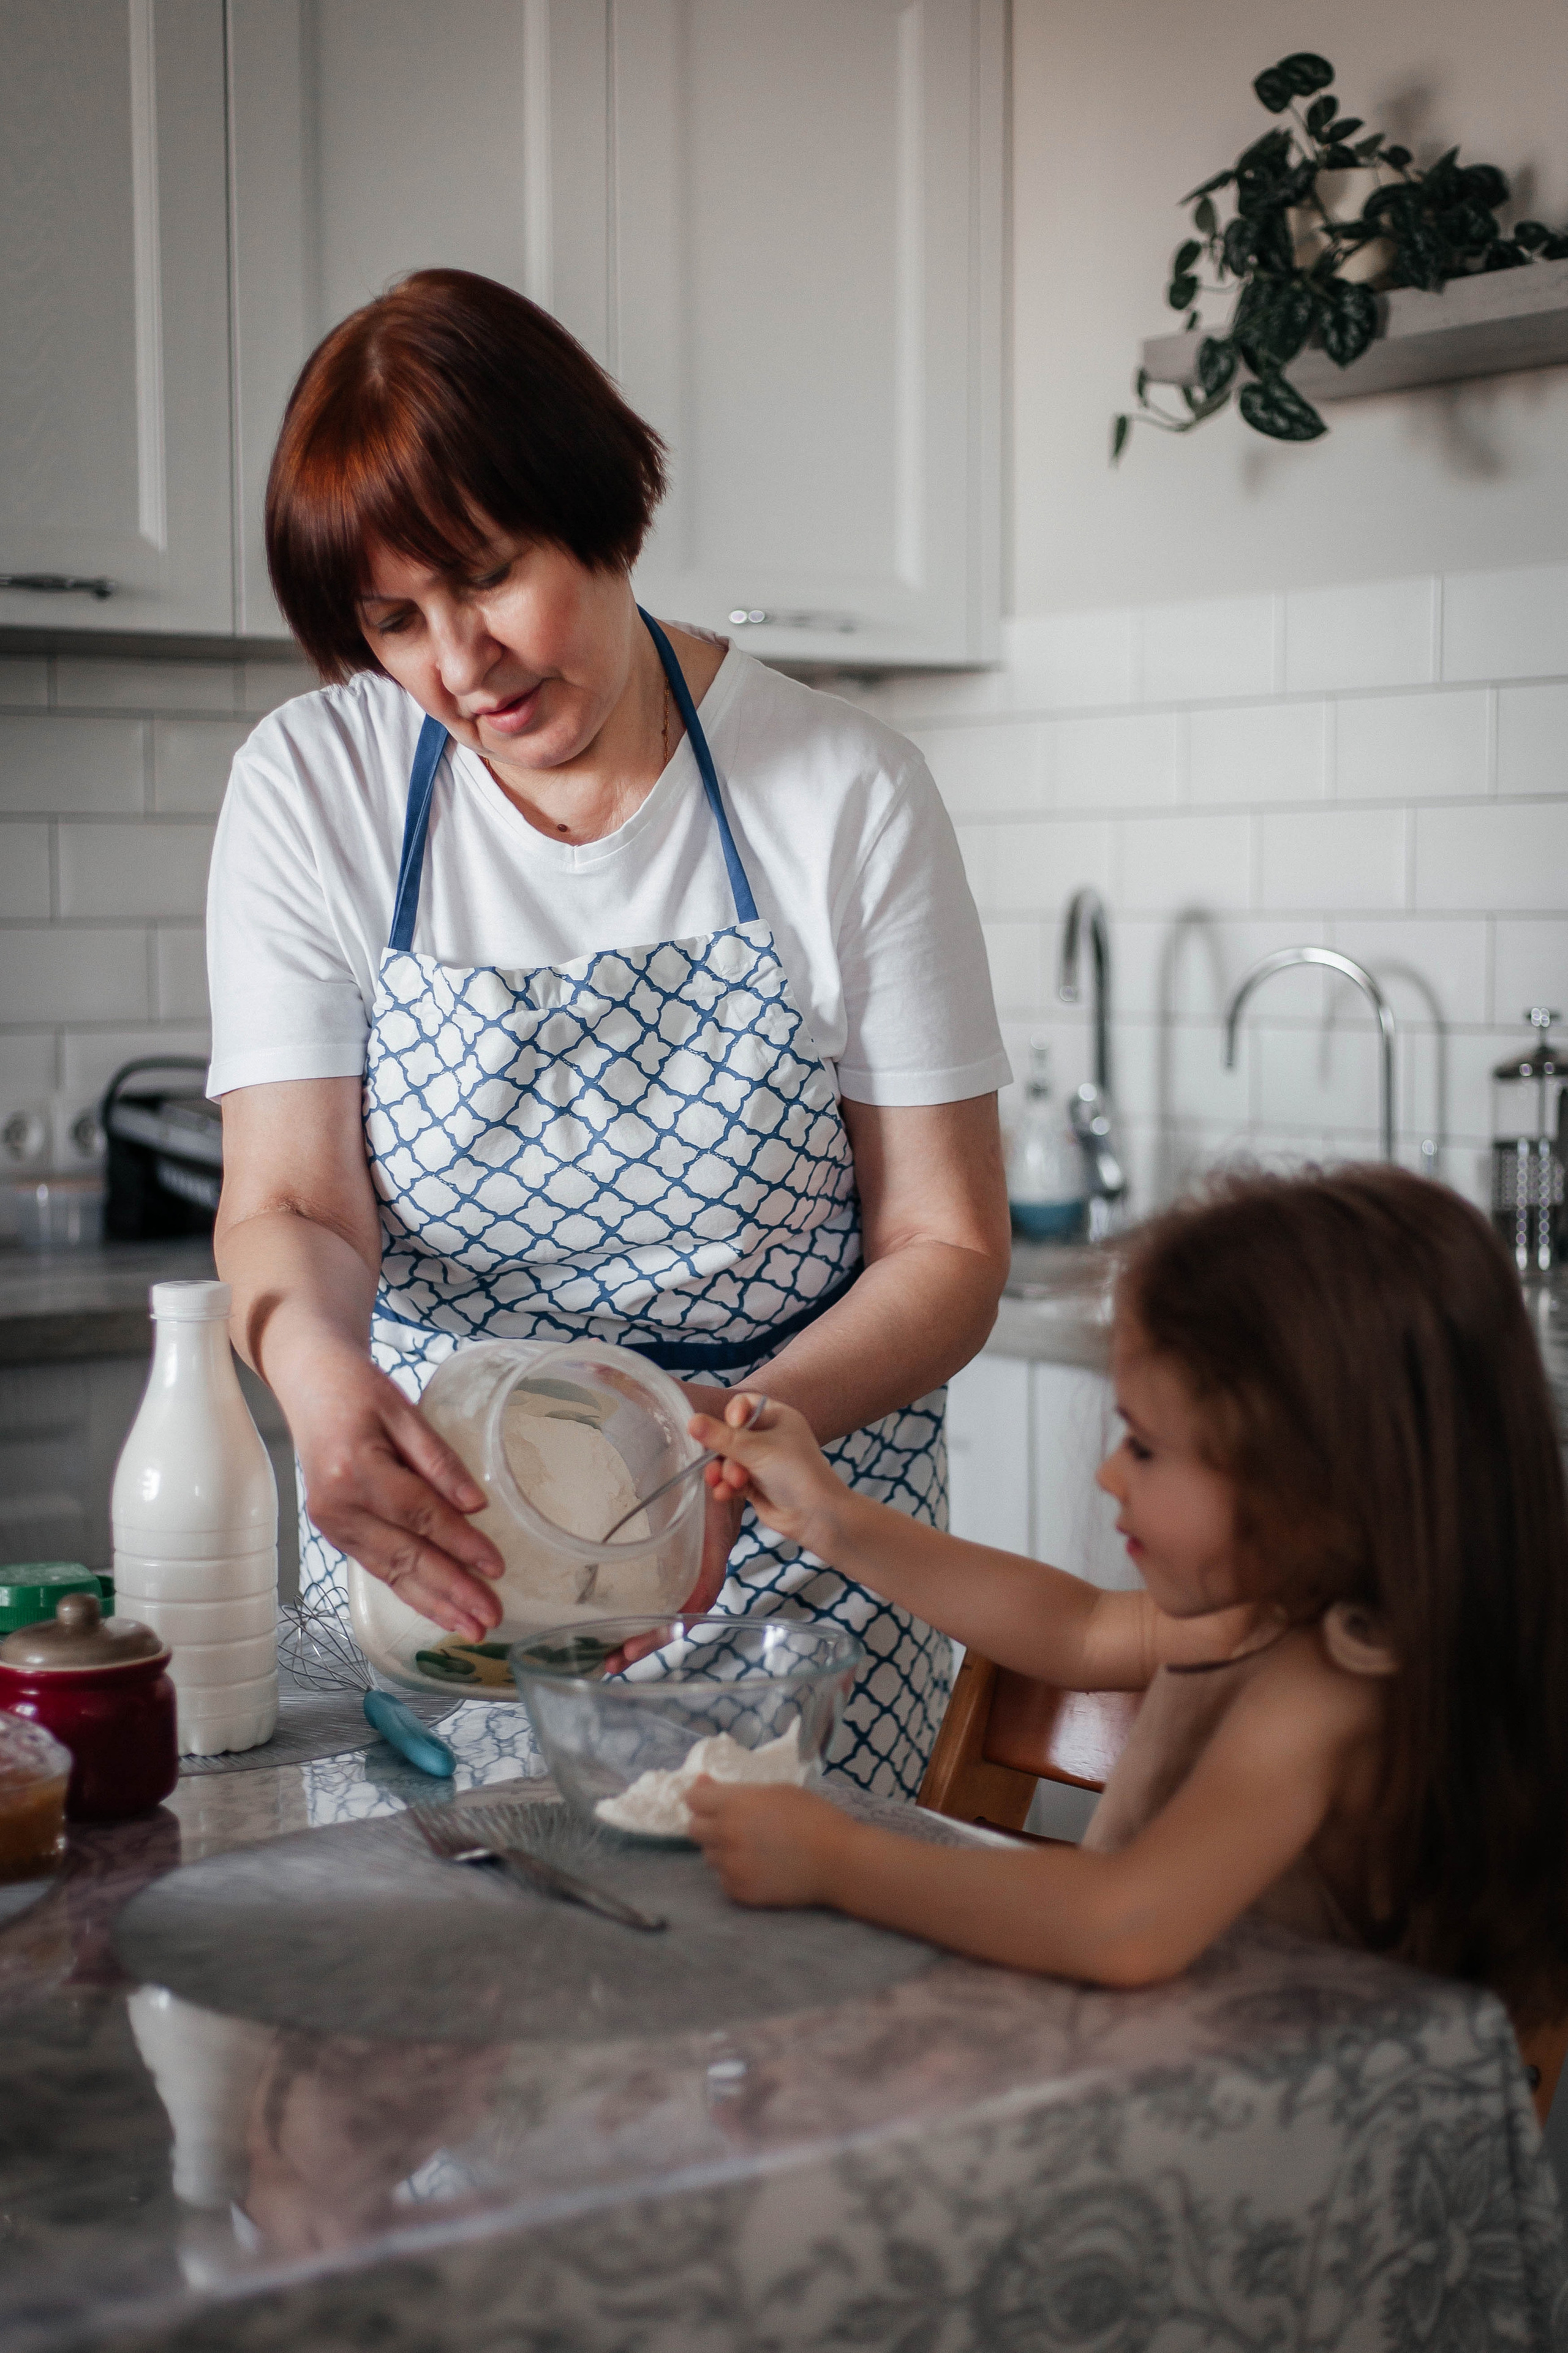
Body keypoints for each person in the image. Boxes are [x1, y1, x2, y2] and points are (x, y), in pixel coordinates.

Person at [207, 268, 1011, 1798]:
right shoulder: (316, 787)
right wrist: (315, 1377)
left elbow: (949, 1247)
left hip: (789, 1577)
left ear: (608, 516)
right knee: (431, 2022)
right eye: (395, 619)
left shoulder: (842, 791)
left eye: (491, 578)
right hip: (445, 1581)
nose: (460, 664)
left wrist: (721, 1442)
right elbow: (295, 1205)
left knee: (786, 2029)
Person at [687, 1166, 1568, 2033]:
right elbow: (1076, 1628)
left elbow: (1125, 1924)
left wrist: (837, 1859)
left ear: (1311, 1482)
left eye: (1145, 1447)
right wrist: (832, 1517)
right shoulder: (1266, 1613)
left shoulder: (1331, 1684)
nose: (1111, 1474)